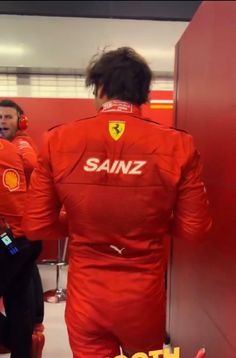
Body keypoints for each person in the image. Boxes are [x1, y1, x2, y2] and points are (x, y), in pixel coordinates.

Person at [23, 47, 212, 358]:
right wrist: (149, 223)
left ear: (99, 88)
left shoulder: (58, 140)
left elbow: (36, 225)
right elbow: (194, 229)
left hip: (86, 295)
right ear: (144, 95)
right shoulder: (179, 144)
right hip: (143, 296)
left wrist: (84, 224)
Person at [0, 100, 44, 356]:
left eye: (8, 117)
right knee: (18, 299)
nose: (3, 121)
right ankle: (25, 347)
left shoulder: (21, 145)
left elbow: (32, 164)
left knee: (19, 296)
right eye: (0, 117)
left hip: (11, 241)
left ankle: (19, 342)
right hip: (22, 241)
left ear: (21, 122)